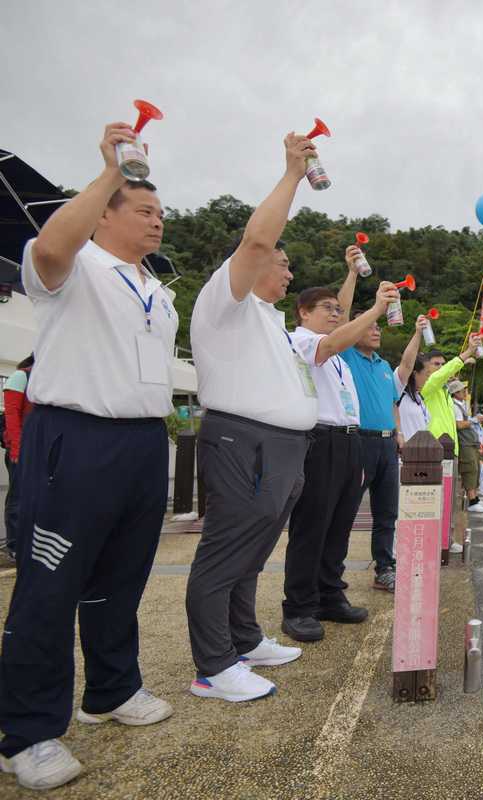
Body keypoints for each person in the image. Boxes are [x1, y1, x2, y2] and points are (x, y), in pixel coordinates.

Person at [0, 123, 177, 791]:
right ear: (104, 212)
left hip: (138, 442)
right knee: (51, 585)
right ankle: (28, 731)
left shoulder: (157, 291)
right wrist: (109, 169)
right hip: (75, 439)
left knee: (121, 579)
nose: (157, 221)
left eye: (161, 212)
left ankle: (111, 689)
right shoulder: (73, 267)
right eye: (142, 210)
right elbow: (48, 245)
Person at [185, 132, 329, 703]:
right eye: (283, 260)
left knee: (251, 551)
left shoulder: (268, 319)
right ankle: (212, 666)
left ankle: (243, 639)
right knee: (224, 552)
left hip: (284, 446)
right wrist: (294, 174)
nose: (289, 272)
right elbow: (256, 239)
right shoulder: (228, 299)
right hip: (243, 440)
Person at [281, 280, 399, 642]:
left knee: (339, 525)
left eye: (337, 309)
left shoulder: (339, 360)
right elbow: (332, 341)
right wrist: (377, 309)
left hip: (350, 441)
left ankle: (329, 593)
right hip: (320, 439)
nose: (335, 314)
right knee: (312, 525)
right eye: (327, 309)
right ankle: (299, 605)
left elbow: (337, 340)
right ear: (303, 312)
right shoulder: (301, 340)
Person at [335, 256, 429, 593]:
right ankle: (332, 570)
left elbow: (405, 369)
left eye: (377, 325)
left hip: (387, 445)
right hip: (358, 442)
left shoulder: (382, 366)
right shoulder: (345, 356)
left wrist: (417, 332)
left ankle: (384, 568)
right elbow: (342, 318)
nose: (375, 329)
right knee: (344, 509)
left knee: (387, 512)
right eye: (369, 325)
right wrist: (352, 273)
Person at [418, 335, 483, 553]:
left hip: (450, 450)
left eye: (442, 364)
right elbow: (442, 375)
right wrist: (466, 354)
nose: (440, 368)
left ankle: (445, 537)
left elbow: (447, 375)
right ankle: (434, 540)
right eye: (436, 364)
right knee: (433, 500)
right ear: (425, 368)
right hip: (435, 450)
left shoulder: (444, 391)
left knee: (450, 499)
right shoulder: (428, 386)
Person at [2, 354, 34, 562]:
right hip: (19, 451)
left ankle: (28, 543)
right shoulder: (20, 376)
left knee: (33, 499)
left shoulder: (43, 381)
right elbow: (11, 415)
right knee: (18, 498)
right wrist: (16, 449)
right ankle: (13, 545)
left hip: (36, 450)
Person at [450, 380, 483, 513]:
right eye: (462, 390)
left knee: (476, 469)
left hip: (471, 442)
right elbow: (458, 424)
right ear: (455, 393)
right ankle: (472, 501)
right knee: (469, 469)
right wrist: (474, 420)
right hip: (464, 443)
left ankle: (476, 499)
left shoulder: (461, 404)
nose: (465, 392)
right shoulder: (454, 406)